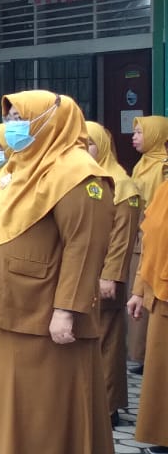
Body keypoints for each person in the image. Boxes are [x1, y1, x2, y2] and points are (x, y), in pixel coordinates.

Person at [0, 91, 117, 454]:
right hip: (7, 301)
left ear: (50, 121)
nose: (14, 123)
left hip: (43, 308)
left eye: (22, 116)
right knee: (8, 401)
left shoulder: (78, 173)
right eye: (10, 116)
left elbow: (85, 247)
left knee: (43, 404)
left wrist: (66, 309)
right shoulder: (20, 168)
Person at [87, 121, 140, 425]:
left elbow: (123, 237)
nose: (84, 149)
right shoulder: (88, 179)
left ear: (103, 146)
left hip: (105, 275)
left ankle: (108, 406)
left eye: (89, 143)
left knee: (107, 339)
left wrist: (111, 275)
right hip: (84, 272)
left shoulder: (122, 184)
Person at [129, 114, 168, 375]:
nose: (135, 137)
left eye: (140, 132)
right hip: (146, 235)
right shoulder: (142, 164)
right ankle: (143, 355)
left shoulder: (162, 168)